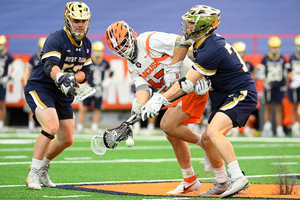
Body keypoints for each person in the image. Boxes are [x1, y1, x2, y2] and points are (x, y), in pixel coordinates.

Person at [141, 5, 257, 198]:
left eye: (191, 22)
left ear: (203, 25)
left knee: (213, 132)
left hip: (240, 93)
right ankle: (221, 182)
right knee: (206, 140)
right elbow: (183, 47)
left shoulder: (212, 47)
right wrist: (191, 75)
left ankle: (238, 177)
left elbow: (187, 82)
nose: (186, 25)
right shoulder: (205, 43)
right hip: (224, 96)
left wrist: (160, 98)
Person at [105, 21, 215, 194]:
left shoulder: (148, 40)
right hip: (175, 92)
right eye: (118, 49)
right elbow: (143, 89)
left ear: (132, 35)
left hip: (190, 84)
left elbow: (182, 41)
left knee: (167, 125)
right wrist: (139, 104)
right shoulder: (131, 64)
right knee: (172, 134)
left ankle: (207, 145)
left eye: (124, 44)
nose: (123, 50)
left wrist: (173, 67)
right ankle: (190, 179)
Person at [24, 1, 91, 190]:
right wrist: (61, 77)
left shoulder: (86, 44)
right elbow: (49, 67)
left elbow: (86, 72)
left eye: (83, 20)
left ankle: (42, 166)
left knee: (67, 138)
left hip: (62, 93)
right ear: (68, 19)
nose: (80, 24)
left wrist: (72, 78)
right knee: (51, 126)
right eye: (76, 20)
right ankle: (33, 173)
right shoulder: (56, 38)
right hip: (41, 87)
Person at [77, 41, 112, 133]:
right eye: (96, 50)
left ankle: (94, 127)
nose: (98, 52)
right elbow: (82, 72)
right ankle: (80, 126)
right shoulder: (88, 61)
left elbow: (111, 72)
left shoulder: (105, 62)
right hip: (88, 86)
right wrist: (84, 84)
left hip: (99, 88)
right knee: (84, 107)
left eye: (99, 50)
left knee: (97, 108)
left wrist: (107, 81)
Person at [257, 36, 286, 137]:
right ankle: (267, 127)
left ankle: (279, 128)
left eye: (276, 47)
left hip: (278, 86)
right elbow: (259, 72)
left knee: (278, 108)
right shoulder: (265, 59)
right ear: (269, 47)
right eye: (273, 47)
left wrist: (284, 85)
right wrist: (265, 80)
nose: (274, 49)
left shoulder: (282, 59)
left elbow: (285, 74)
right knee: (267, 107)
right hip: (268, 87)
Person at [232, 41, 258, 137]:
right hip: (234, 89)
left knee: (246, 109)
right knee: (232, 109)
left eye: (241, 51)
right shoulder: (231, 63)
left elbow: (254, 77)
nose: (240, 54)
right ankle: (233, 128)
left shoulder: (249, 64)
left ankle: (246, 128)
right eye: (238, 52)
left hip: (246, 89)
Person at [24, 37, 47, 132]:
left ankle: (45, 126)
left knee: (47, 107)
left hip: (45, 86)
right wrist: (26, 82)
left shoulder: (50, 58)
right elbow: (27, 71)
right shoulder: (33, 58)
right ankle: (31, 125)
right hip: (34, 85)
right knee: (32, 106)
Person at [286, 35, 300, 137]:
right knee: (294, 105)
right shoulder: (292, 58)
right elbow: (288, 72)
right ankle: (295, 125)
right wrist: (294, 78)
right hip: (295, 85)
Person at [0, 35, 14, 132]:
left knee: (2, 105)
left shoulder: (7, 56)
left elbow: (15, 68)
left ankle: (0, 125)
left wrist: (8, 77)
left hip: (2, 83)